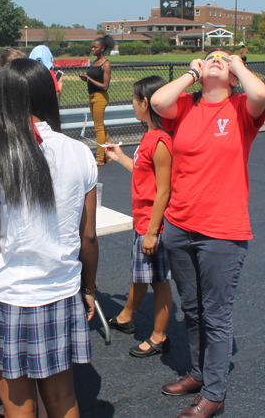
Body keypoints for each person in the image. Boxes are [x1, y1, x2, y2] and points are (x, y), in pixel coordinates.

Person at [0, 58, 99, 418]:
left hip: (7, 300)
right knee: (63, 400)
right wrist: (88, 289)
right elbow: (87, 239)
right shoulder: (80, 153)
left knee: (18, 407)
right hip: (61, 293)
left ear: (2, 102)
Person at [151, 51, 265, 418]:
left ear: (233, 76)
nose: (215, 60)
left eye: (223, 60)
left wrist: (236, 63)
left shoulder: (240, 108)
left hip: (222, 230)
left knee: (216, 314)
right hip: (180, 225)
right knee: (193, 310)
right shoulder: (185, 106)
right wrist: (192, 73)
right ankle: (200, 374)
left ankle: (214, 394)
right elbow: (157, 101)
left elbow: (262, 94)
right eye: (209, 57)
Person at [104, 76, 173, 358]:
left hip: (152, 223)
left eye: (134, 99)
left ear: (146, 103)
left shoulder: (160, 140)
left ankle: (159, 337)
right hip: (144, 221)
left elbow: (164, 191)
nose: (132, 104)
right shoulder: (149, 136)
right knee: (144, 275)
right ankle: (126, 317)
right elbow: (146, 176)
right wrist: (120, 157)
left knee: (159, 281)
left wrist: (152, 231)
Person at [79, 34, 115, 166]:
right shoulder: (94, 62)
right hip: (92, 96)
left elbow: (105, 86)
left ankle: (100, 158)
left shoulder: (106, 64)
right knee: (101, 126)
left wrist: (89, 79)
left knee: (98, 128)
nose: (93, 49)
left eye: (95, 47)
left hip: (100, 97)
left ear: (103, 48)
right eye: (92, 47)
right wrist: (86, 78)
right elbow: (93, 80)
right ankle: (107, 154)